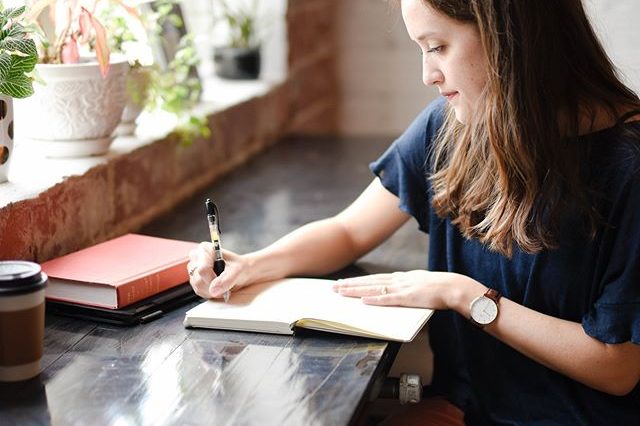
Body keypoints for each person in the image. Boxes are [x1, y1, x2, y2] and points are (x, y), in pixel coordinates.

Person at [188, 0, 640, 424]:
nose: (428, 74)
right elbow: (349, 230)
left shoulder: (630, 166)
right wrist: (251, 264)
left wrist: (466, 296)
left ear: (510, 35)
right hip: (464, 412)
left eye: (438, 47)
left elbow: (617, 367)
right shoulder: (453, 126)